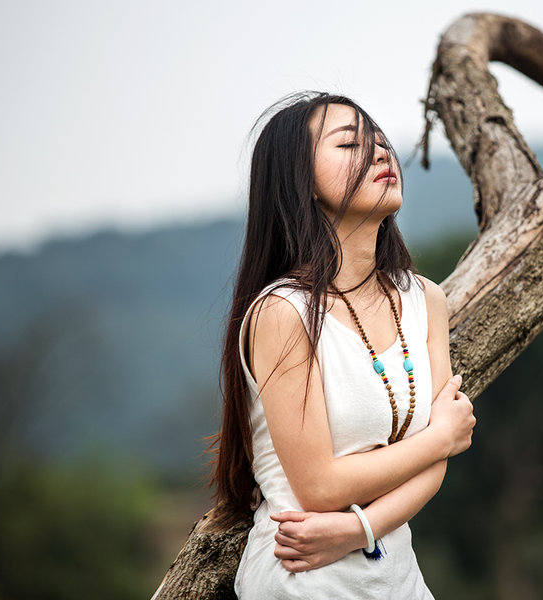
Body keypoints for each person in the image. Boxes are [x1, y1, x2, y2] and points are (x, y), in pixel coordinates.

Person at [211, 91, 476, 599]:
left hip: (399, 581)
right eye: (350, 143)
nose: (380, 153)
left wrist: (361, 530)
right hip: (304, 580)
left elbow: (433, 465)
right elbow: (319, 487)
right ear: (301, 182)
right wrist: (439, 437)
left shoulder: (425, 299)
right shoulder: (283, 313)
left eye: (380, 141)